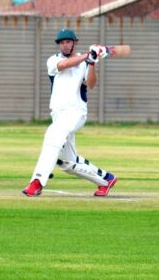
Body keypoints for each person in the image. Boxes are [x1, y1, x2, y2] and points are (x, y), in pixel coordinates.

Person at [23, 28, 117, 197]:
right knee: (68, 163)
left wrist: (92, 62)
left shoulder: (86, 63)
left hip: (75, 113)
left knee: (52, 136)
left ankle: (36, 181)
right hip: (58, 114)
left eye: (68, 42)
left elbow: (91, 83)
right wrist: (88, 55)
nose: (65, 46)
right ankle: (106, 179)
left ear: (74, 42)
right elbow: (63, 65)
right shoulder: (53, 60)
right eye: (62, 43)